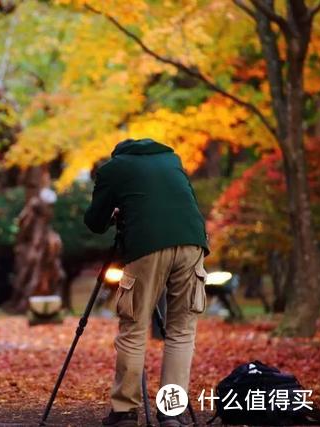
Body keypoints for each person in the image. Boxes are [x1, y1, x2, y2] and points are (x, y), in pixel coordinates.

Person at [84, 138, 209, 427]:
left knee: (134, 326)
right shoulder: (173, 161)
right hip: (193, 243)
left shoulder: (113, 168)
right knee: (181, 332)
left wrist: (118, 212)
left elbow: (95, 221)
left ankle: (125, 411)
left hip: (147, 246)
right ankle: (172, 412)